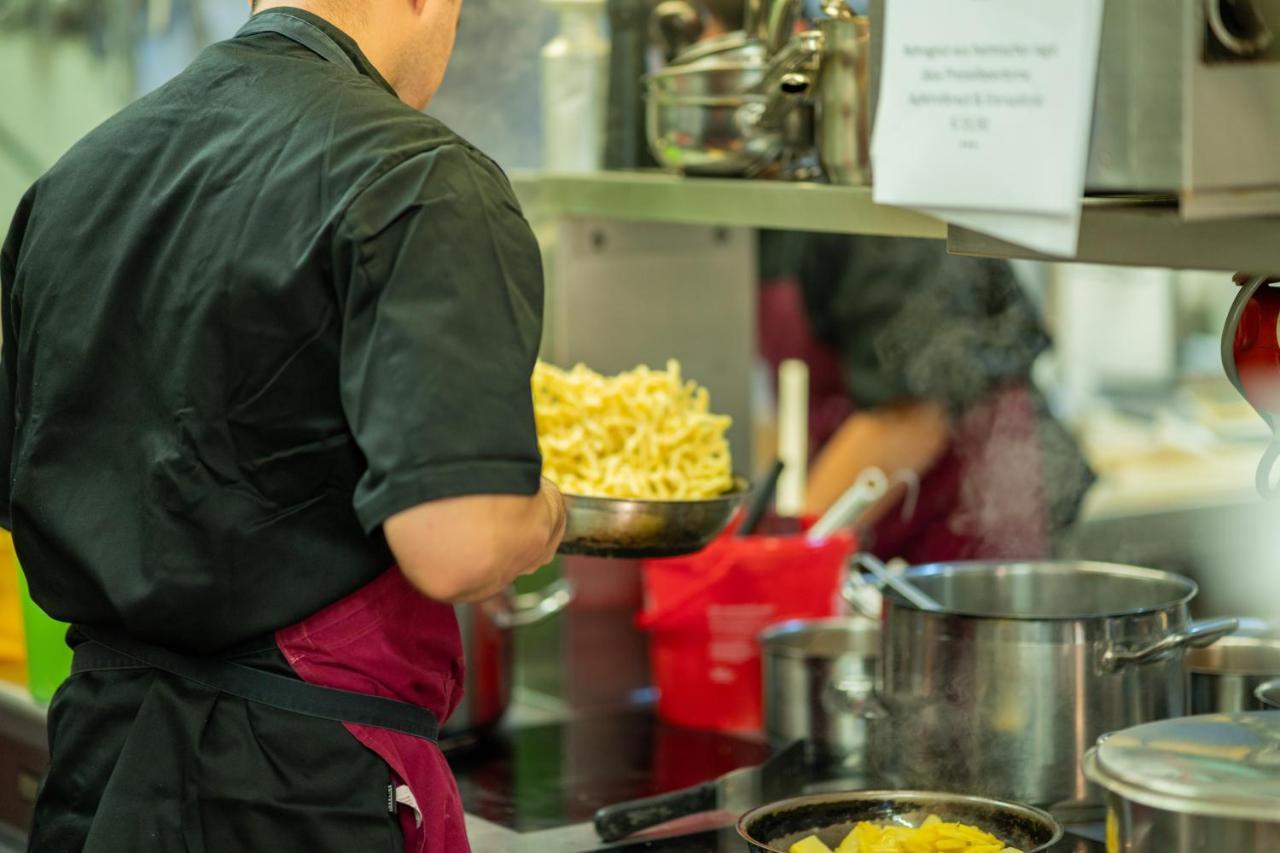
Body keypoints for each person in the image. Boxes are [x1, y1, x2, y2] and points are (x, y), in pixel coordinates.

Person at [0, 1, 566, 851]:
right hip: (304, 796)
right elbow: (459, 543)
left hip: (100, 772)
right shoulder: (417, 173)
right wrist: (548, 512)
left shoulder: (74, 179)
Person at [760, 231, 1094, 561]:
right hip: (872, 527)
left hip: (970, 521)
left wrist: (791, 554)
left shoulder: (886, 230)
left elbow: (909, 417)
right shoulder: (775, 223)